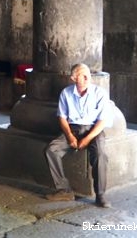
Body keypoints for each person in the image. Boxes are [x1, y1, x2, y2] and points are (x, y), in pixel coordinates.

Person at [44, 62, 113, 207]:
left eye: (88, 75)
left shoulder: (99, 93)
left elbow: (102, 121)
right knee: (51, 150)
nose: (87, 78)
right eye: (83, 75)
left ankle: (100, 195)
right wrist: (70, 136)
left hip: (93, 130)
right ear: (74, 78)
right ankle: (64, 190)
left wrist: (87, 139)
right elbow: (62, 118)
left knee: (100, 154)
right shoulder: (66, 93)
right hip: (73, 128)